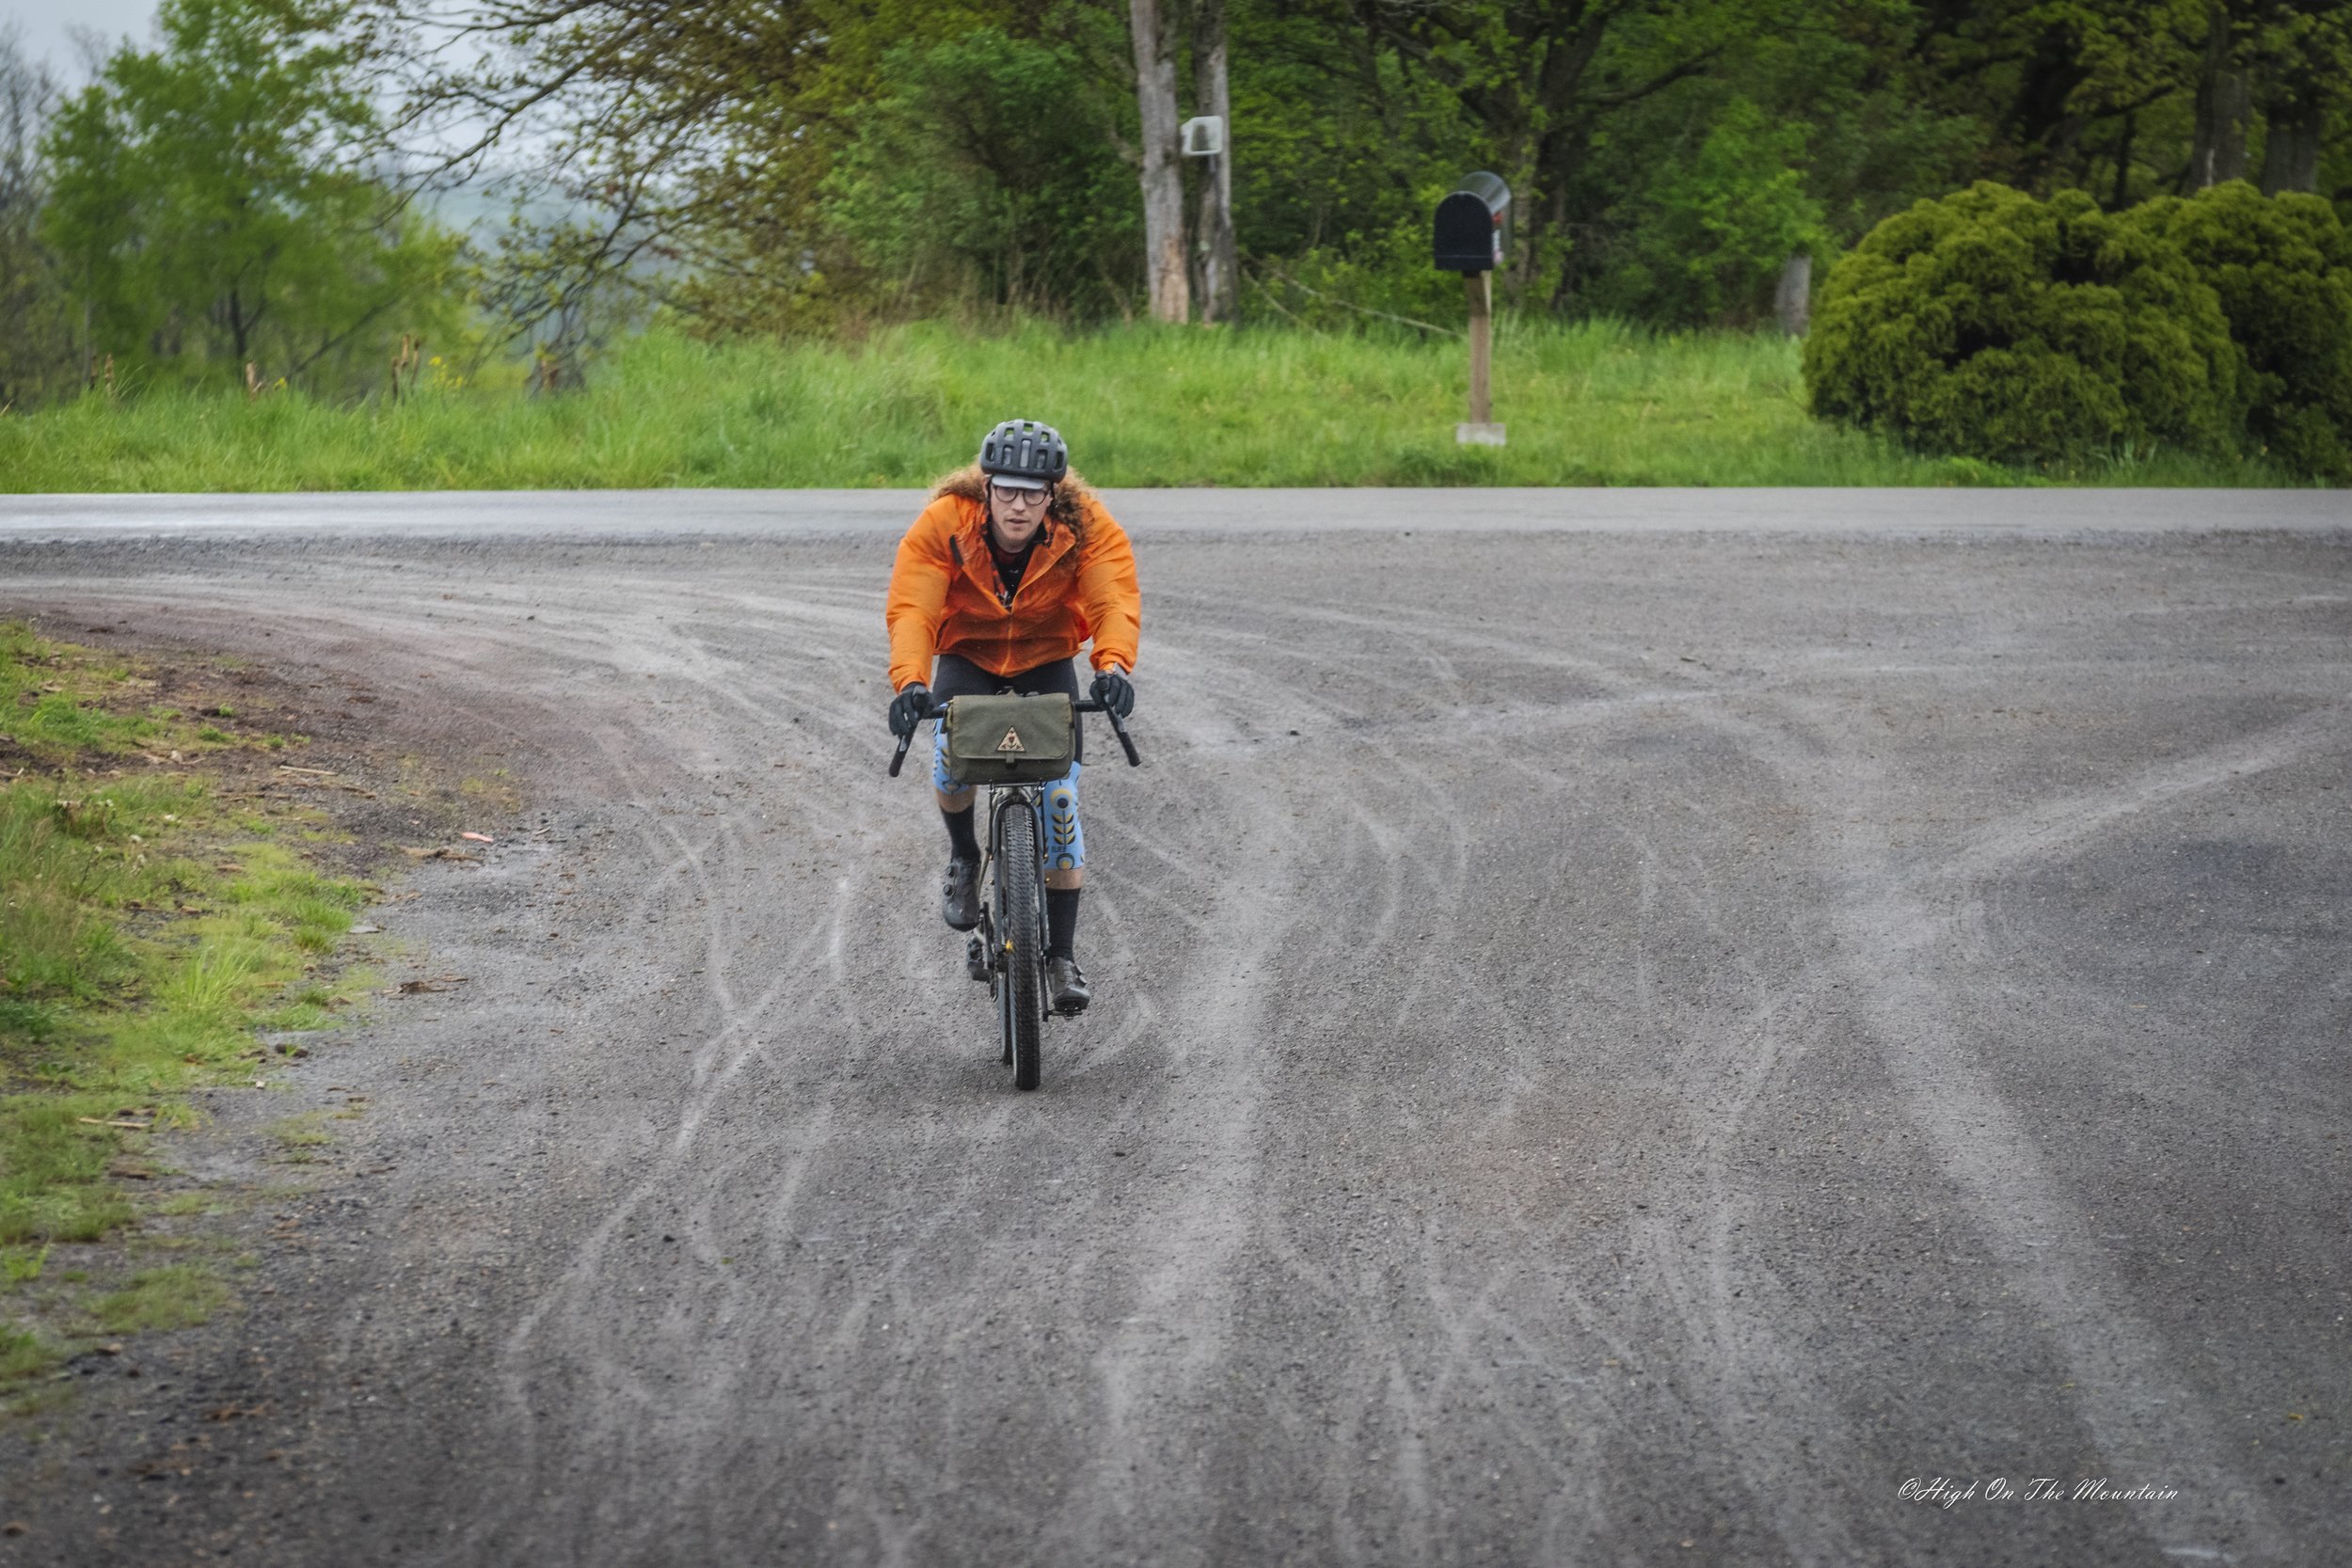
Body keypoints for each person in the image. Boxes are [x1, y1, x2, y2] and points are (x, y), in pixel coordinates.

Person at [884, 420, 1140, 1014]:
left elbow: (1113, 597)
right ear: (986, 486)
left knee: (1059, 799)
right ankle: (965, 856)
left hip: (1047, 658)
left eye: (1033, 493)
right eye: (1007, 490)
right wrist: (912, 682)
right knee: (951, 759)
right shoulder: (946, 523)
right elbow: (914, 607)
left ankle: (1061, 957)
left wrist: (1113, 668)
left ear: (1055, 494)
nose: (1019, 506)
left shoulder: (1087, 526)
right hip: (967, 656)